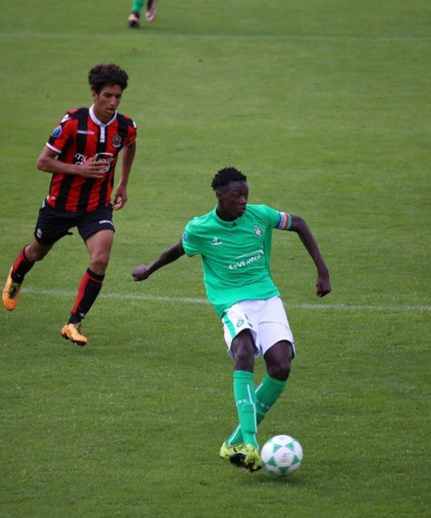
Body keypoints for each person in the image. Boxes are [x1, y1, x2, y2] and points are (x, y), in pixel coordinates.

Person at [132, 167, 331, 472]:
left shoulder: (260, 215)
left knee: (281, 366)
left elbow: (299, 223)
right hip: (232, 303)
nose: (243, 201)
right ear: (220, 195)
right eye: (237, 195)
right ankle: (249, 443)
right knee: (244, 350)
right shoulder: (200, 228)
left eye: (246, 195)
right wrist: (150, 268)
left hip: (267, 298)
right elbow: (177, 249)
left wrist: (322, 271)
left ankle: (233, 441)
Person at [2, 63, 137, 347]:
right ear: (94, 94)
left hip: (97, 206)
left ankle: (73, 322)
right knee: (37, 252)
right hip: (60, 205)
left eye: (118, 96)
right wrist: (79, 170)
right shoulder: (73, 122)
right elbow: (42, 162)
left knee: (101, 257)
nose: (113, 102)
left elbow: (130, 143)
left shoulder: (125, 126)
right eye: (107, 96)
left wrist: (123, 182)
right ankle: (17, 273)